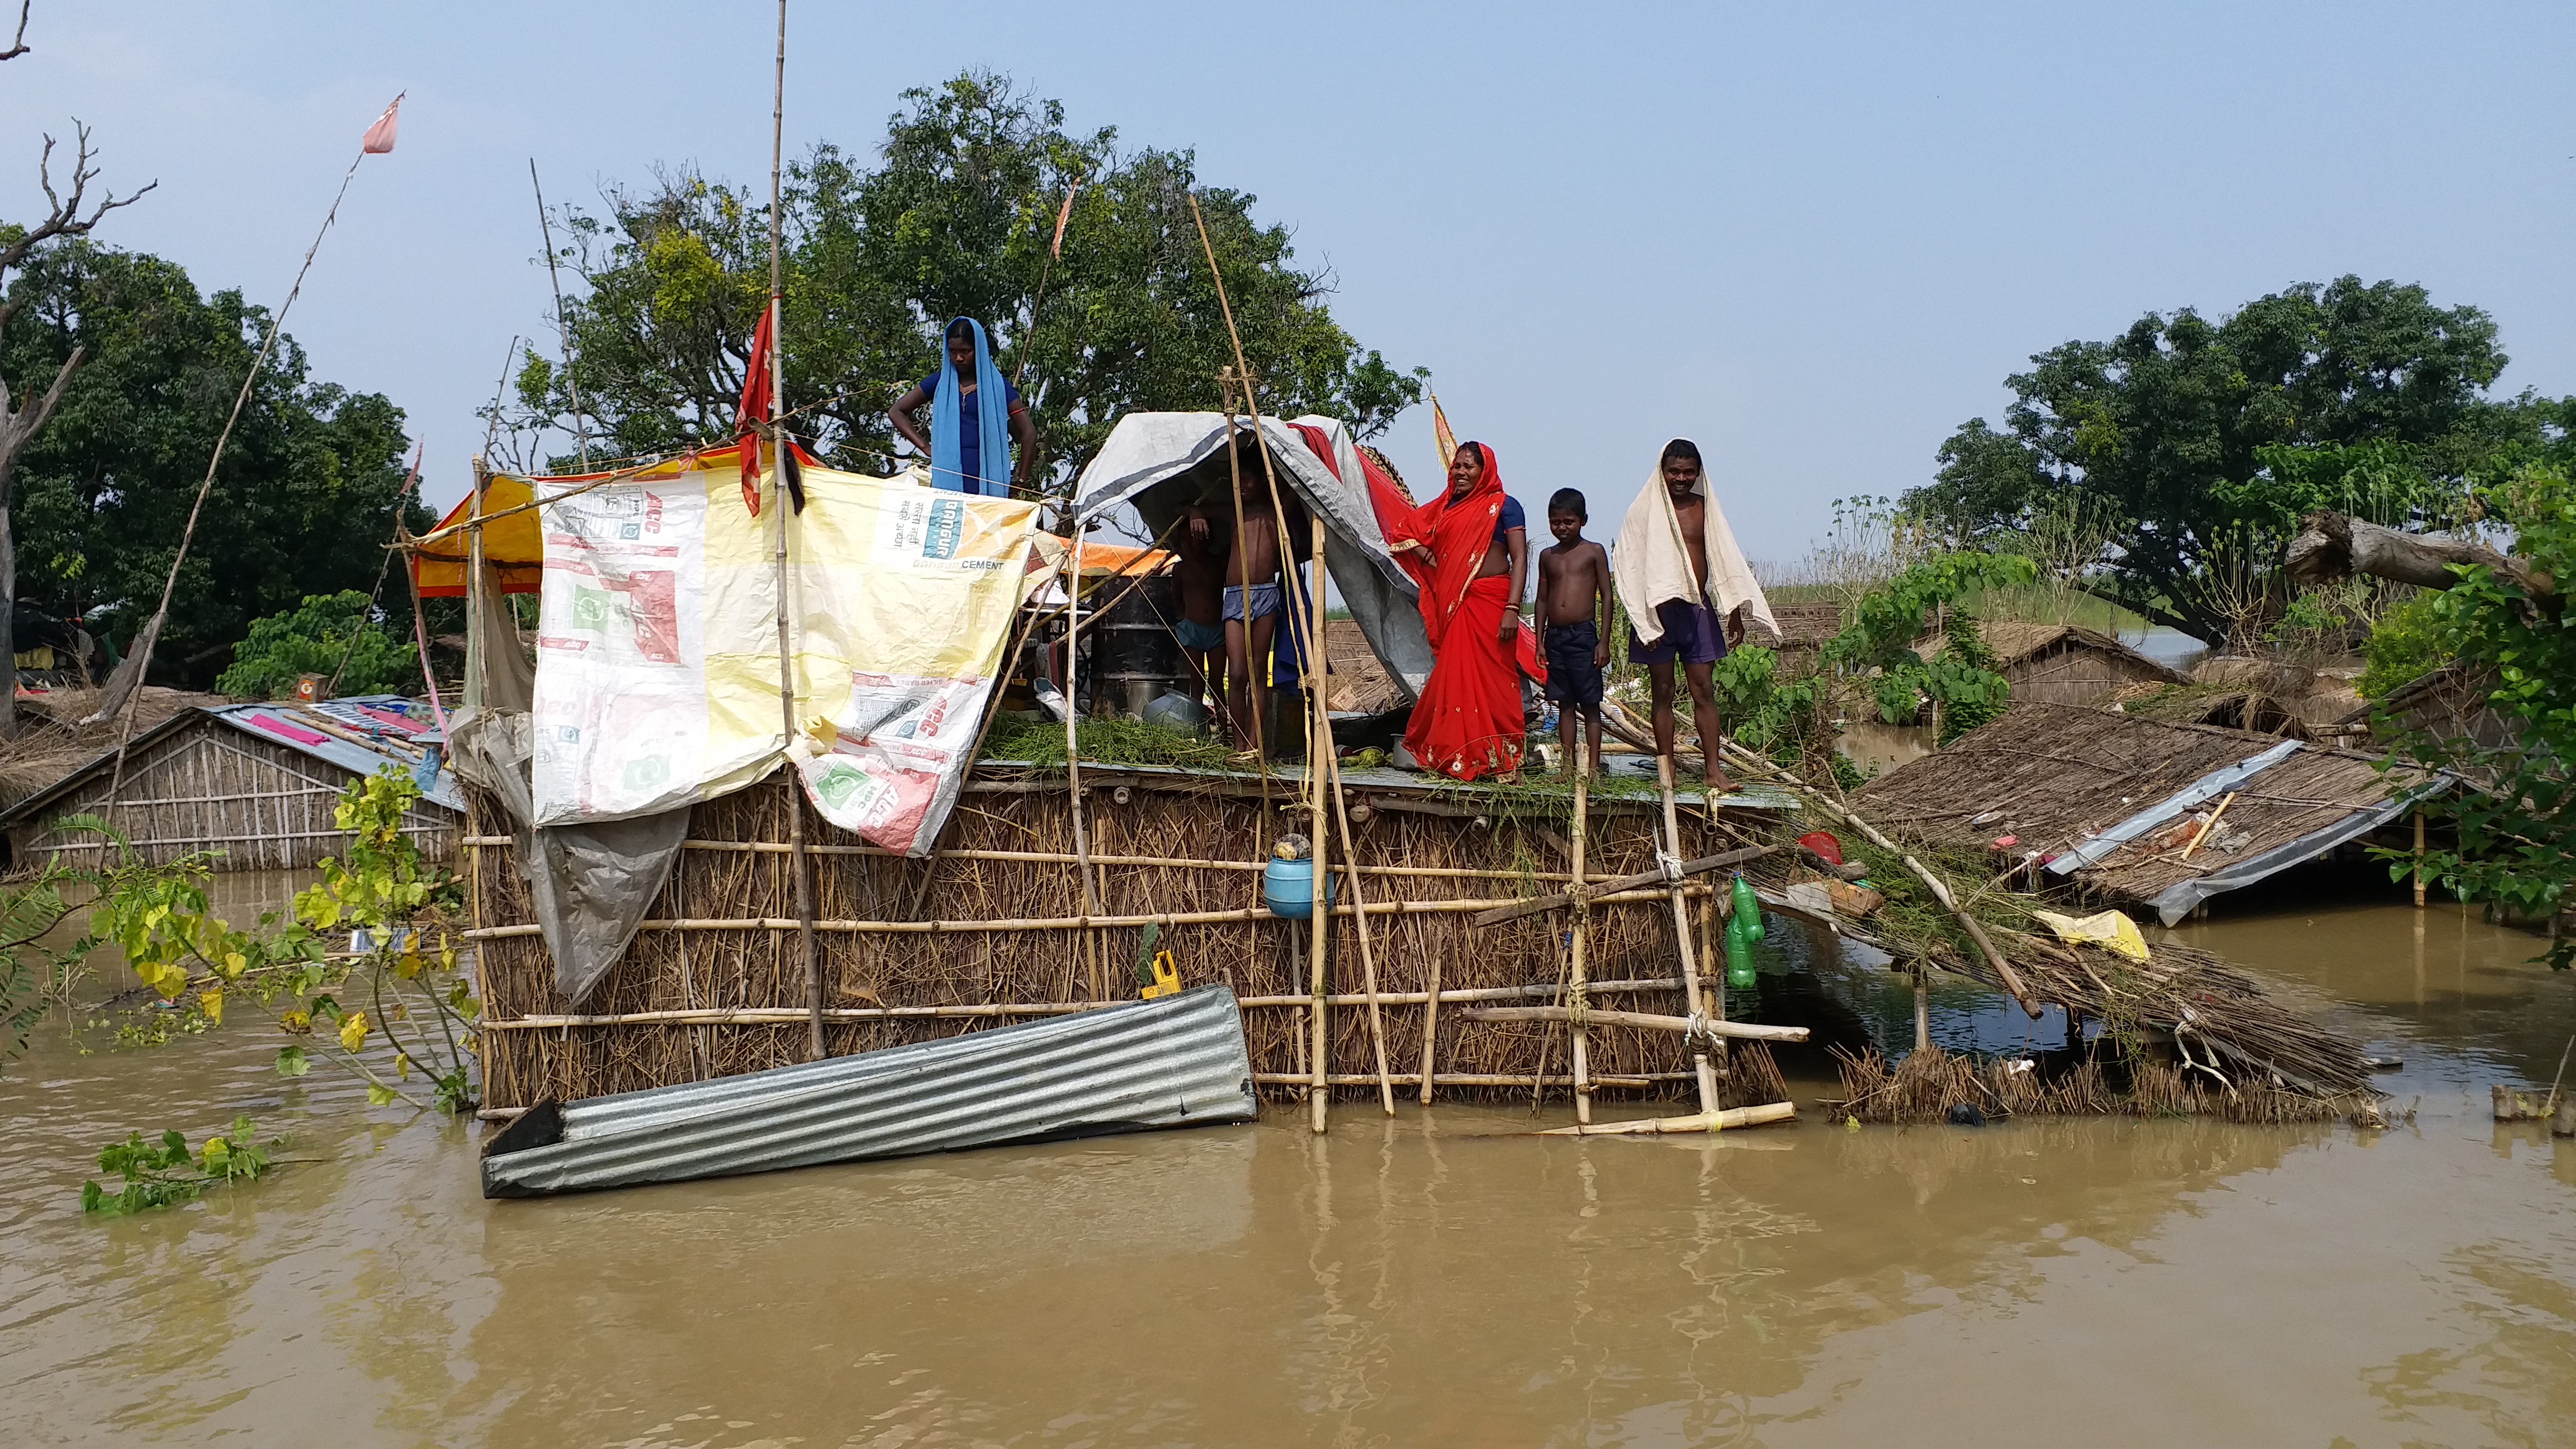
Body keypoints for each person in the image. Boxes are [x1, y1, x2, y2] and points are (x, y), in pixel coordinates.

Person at [1611, 438, 1777, 795]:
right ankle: (1666, 766)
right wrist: (1643, 622)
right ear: (1662, 471)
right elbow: (1629, 565)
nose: (1681, 478)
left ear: (1699, 474)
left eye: (1688, 472)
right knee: (1663, 691)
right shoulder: (1643, 512)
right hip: (1658, 614)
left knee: (1704, 690)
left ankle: (1713, 770)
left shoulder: (1705, 509)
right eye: (1674, 471)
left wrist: (1733, 610)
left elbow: (1723, 556)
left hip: (1696, 611)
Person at [1389, 441, 1530, 782]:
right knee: (1455, 679)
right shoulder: (1445, 508)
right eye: (1457, 466)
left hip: (1494, 602)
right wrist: (1432, 559)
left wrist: (1513, 608)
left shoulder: (1504, 507)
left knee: (1497, 680)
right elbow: (1404, 532)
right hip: (1457, 606)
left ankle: (1502, 757)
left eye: (1469, 467)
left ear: (1485, 471)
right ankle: (1457, 754)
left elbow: (1520, 558)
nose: (1461, 473)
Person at [1186, 438, 1286, 757]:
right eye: (1237, 481)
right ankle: (1238, 742)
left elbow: (1297, 488)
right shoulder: (1233, 512)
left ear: (1261, 481)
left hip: (1266, 594)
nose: (1242, 486)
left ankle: (1255, 745)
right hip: (1234, 596)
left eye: (1248, 480)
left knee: (1258, 670)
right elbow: (1188, 507)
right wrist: (1195, 514)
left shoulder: (1274, 509)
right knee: (1237, 673)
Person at [887, 318, 1038, 495]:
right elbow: (896, 412)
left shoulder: (999, 387)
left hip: (988, 480)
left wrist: (1020, 479)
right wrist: (926, 448)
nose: (959, 358)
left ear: (979, 350)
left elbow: (1029, 432)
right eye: (953, 351)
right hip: (947, 479)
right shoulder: (939, 383)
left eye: (966, 351)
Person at [1537, 487, 1613, 779]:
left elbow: (1606, 596)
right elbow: (1542, 598)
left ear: (1583, 520)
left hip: (1584, 635)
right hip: (1556, 636)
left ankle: (1592, 768)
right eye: (1556, 522)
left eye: (1569, 522)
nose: (1562, 528)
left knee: (1590, 703)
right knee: (1564, 703)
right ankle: (1567, 767)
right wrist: (1540, 641)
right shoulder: (1547, 556)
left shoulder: (1593, 552)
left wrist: (1603, 642)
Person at [1171, 508, 1228, 724]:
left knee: (1216, 681)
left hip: (1217, 631)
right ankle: (1197, 728)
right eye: (1184, 539)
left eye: (1193, 538)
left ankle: (1224, 729)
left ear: (1206, 537)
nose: (1188, 543)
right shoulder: (1181, 569)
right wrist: (1186, 618)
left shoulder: (1219, 565)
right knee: (1196, 681)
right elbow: (1177, 599)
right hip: (1192, 630)